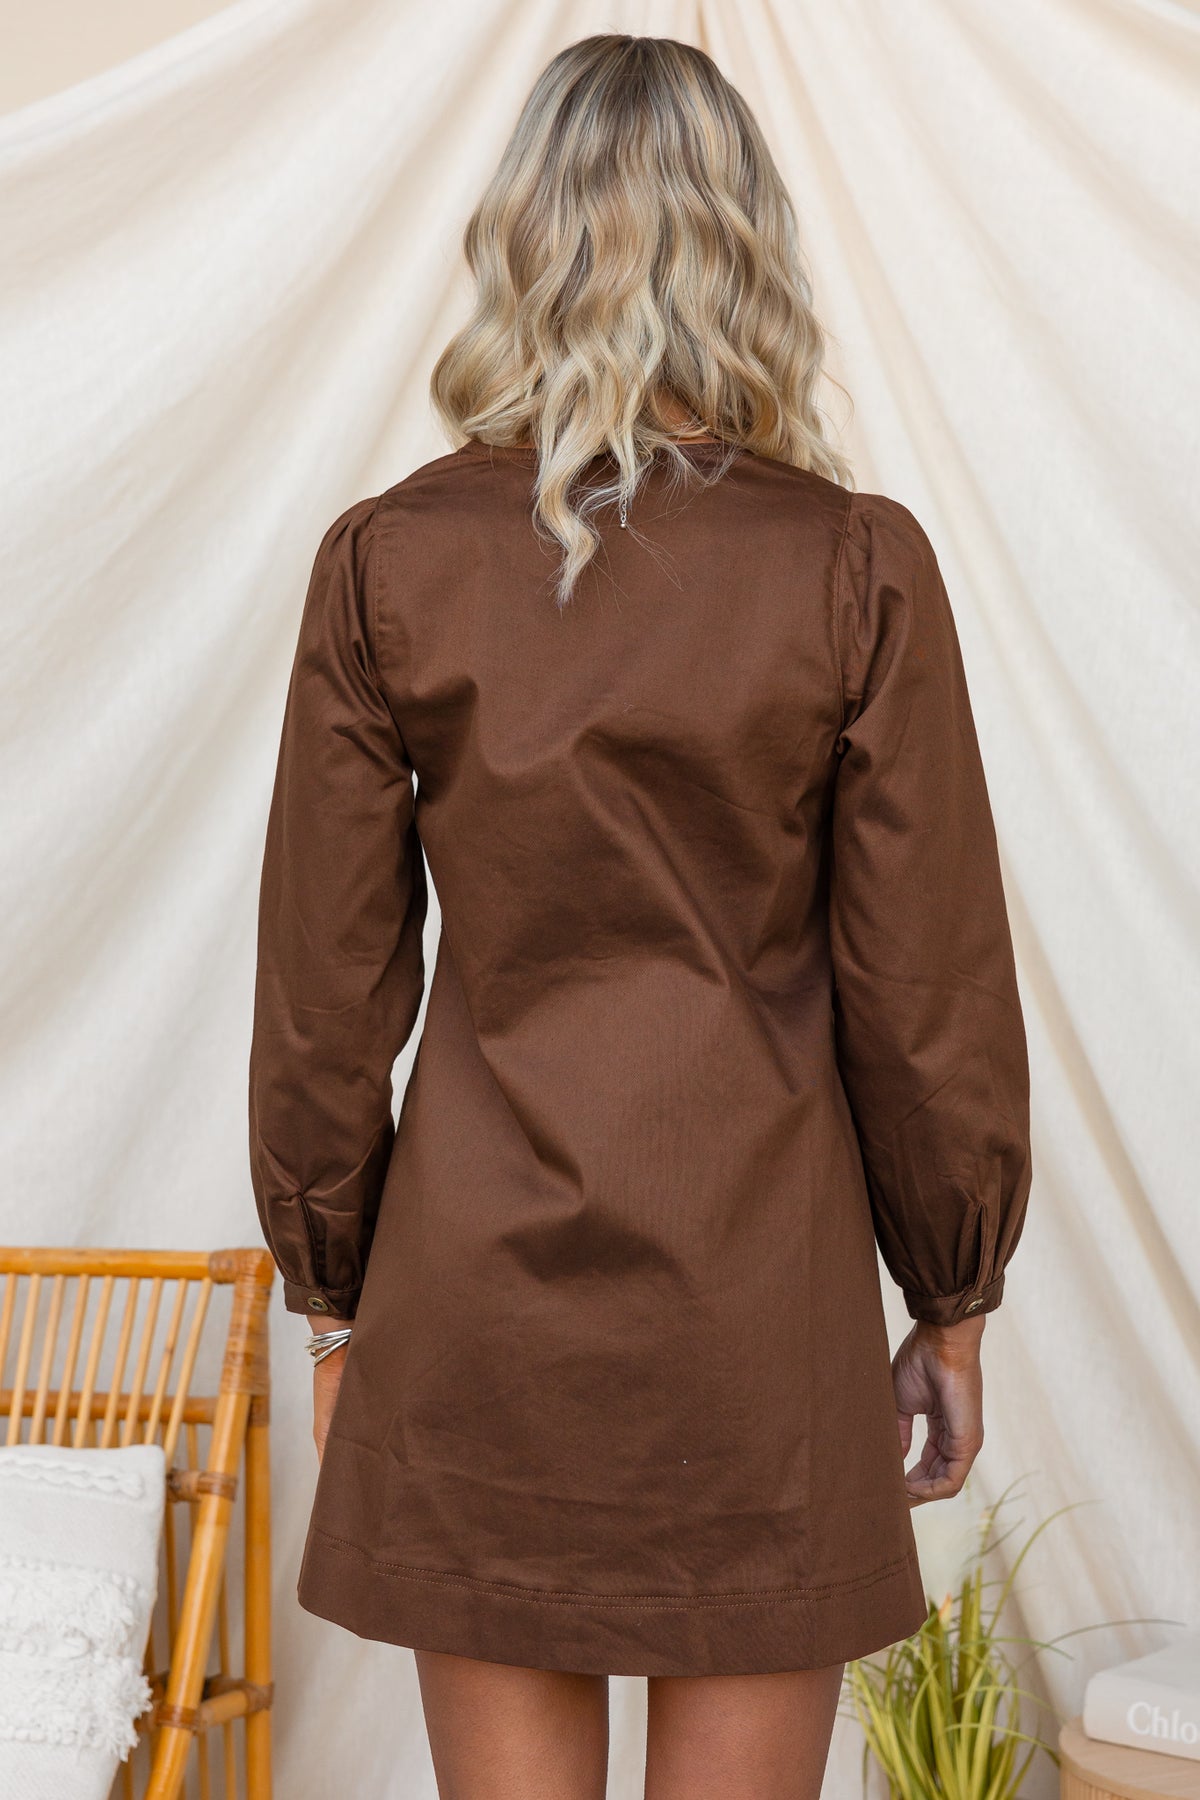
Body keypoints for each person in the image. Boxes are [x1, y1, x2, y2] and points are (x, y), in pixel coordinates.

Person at [247, 32, 1033, 1800]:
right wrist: (954, 1303)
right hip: (757, 1319)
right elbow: (926, 993)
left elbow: (324, 994)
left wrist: (336, 1306)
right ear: (744, 247)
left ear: (521, 244)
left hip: (477, 1307)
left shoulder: (389, 561)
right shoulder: (853, 567)